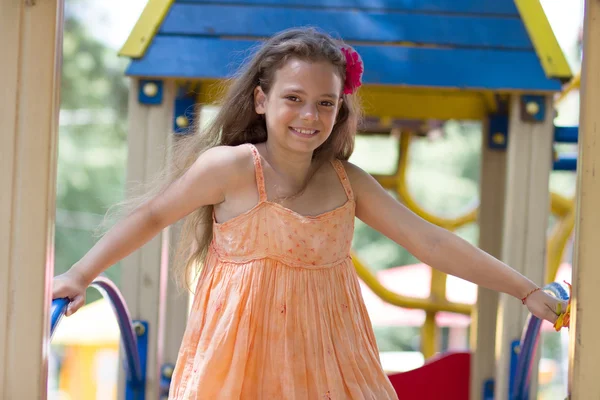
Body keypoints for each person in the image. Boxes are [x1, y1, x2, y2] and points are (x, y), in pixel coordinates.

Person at [52, 28, 567, 399]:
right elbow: (151, 218)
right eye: (293, 98)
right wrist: (79, 274)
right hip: (239, 365)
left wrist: (524, 289)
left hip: (328, 366)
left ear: (340, 109)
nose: (309, 115)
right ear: (260, 100)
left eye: (325, 103)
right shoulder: (232, 169)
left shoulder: (348, 184)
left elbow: (431, 243)